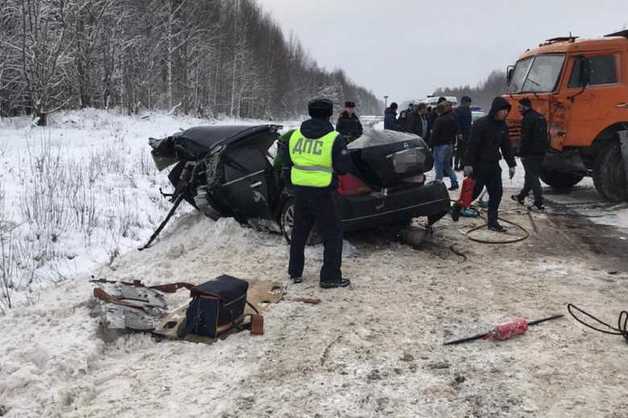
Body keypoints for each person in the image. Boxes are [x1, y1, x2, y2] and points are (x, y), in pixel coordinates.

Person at [279, 98, 352, 289]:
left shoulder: (294, 136)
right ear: (329, 114)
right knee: (332, 234)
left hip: (301, 191)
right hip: (324, 193)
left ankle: (295, 272)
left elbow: (285, 163)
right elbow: (344, 168)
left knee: (299, 232)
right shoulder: (334, 138)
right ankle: (329, 277)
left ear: (309, 112)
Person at [463, 97, 517, 232]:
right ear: (495, 110)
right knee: (473, 192)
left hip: (493, 166)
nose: (505, 113)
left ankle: (492, 222)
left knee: (497, 193)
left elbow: (506, 146)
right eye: (503, 110)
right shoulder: (480, 124)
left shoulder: (503, 126)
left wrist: (511, 164)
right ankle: (458, 208)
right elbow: (472, 145)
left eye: (506, 110)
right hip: (479, 165)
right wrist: (468, 164)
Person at [512, 98, 548, 210]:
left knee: (532, 176)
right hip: (541, 152)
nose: (518, 109)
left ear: (525, 107)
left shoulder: (527, 119)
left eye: (519, 107)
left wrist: (520, 152)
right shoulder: (540, 117)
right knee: (530, 175)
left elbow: (525, 138)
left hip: (530, 153)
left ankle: (538, 202)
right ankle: (521, 196)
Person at [430, 100, 459, 191]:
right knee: (447, 165)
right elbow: (456, 130)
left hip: (439, 146)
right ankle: (454, 183)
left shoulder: (439, 120)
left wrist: (431, 145)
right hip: (449, 144)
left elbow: (435, 134)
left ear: (440, 110)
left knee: (439, 166)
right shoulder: (453, 118)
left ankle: (438, 185)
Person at [454, 96, 473, 171]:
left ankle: (462, 164)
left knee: (465, 149)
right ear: (464, 102)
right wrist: (459, 133)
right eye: (468, 103)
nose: (469, 104)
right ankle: (456, 165)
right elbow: (457, 122)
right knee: (459, 149)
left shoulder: (468, 109)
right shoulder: (458, 110)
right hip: (461, 132)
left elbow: (469, 122)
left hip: (467, 132)